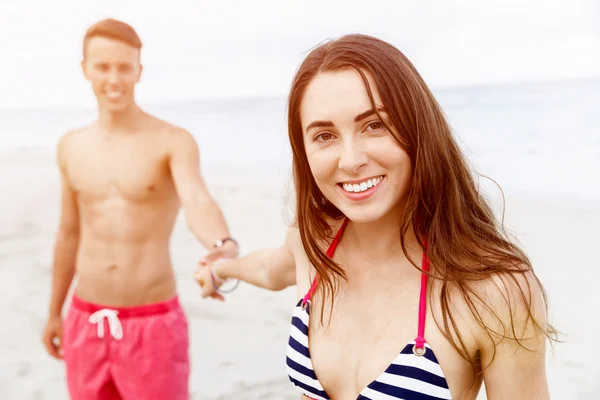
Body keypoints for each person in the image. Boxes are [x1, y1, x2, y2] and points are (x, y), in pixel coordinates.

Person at [195, 34, 557, 399]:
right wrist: (220, 269)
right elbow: (268, 270)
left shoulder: (494, 289)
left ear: (418, 129)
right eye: (324, 135)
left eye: (374, 125)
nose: (350, 160)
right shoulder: (314, 242)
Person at [41, 18, 238, 400]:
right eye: (102, 66)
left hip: (153, 323)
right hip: (86, 318)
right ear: (84, 69)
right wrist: (55, 311)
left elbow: (196, 197)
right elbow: (69, 231)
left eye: (124, 67)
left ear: (139, 71)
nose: (114, 78)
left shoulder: (172, 141)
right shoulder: (70, 146)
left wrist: (223, 244)